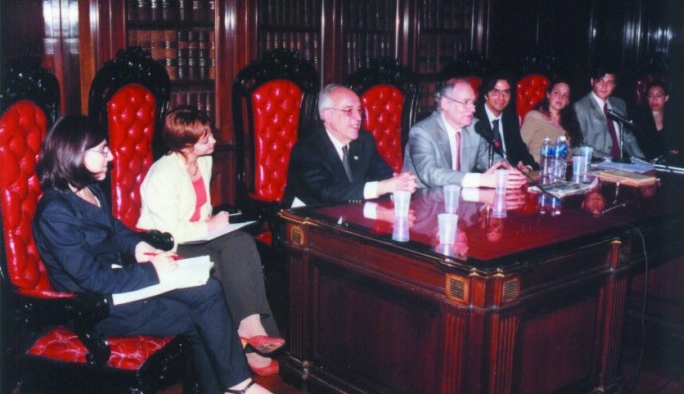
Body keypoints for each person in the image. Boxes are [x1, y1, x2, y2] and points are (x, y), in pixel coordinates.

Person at [32, 114, 270, 394]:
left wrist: (139, 246)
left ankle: (235, 386)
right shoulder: (55, 212)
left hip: (119, 285)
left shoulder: (88, 189)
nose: (111, 156)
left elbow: (115, 229)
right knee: (202, 311)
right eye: (103, 150)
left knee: (209, 288)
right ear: (75, 154)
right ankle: (239, 387)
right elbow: (91, 278)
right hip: (94, 306)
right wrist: (153, 270)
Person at [137, 107, 284, 376]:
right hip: (166, 245)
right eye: (206, 139)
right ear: (185, 145)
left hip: (197, 236)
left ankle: (250, 329)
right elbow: (171, 232)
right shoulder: (161, 174)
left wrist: (213, 222)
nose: (214, 142)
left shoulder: (203, 161)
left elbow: (200, 211)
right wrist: (210, 224)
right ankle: (252, 348)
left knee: (242, 243)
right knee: (215, 262)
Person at [282, 84, 417, 208]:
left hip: (349, 215)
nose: (358, 118)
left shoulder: (365, 140)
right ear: (327, 115)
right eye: (349, 111)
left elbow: (385, 176)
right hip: (305, 220)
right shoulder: (308, 149)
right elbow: (326, 192)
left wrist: (401, 184)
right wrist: (383, 187)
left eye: (359, 110)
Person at [402, 78, 527, 188]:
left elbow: (489, 158)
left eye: (473, 103)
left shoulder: (474, 127)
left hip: (462, 202)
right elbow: (431, 174)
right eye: (466, 102)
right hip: (424, 203)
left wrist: (509, 172)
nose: (473, 109)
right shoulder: (422, 132)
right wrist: (481, 179)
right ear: (446, 103)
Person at [574, 66, 645, 160]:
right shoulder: (580, 107)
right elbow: (578, 146)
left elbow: (628, 137)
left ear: (614, 85)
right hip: (595, 163)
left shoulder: (619, 104)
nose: (604, 86)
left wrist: (642, 160)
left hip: (621, 164)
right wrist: (608, 158)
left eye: (609, 82)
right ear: (592, 81)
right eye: (600, 81)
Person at [474, 73, 539, 170]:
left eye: (506, 92)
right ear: (485, 95)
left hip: (512, 175)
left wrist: (528, 167)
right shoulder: (475, 120)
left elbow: (521, 149)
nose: (501, 97)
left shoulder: (510, 118)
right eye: (495, 92)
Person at [521, 78, 584, 163]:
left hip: (561, 170)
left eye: (565, 95)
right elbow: (520, 147)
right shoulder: (534, 117)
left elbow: (570, 151)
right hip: (537, 169)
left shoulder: (569, 123)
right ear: (548, 94)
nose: (560, 97)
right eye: (556, 93)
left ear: (568, 101)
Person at [631, 81, 678, 160]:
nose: (654, 99)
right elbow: (638, 147)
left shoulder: (673, 118)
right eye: (650, 95)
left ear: (666, 98)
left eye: (658, 95)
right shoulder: (639, 118)